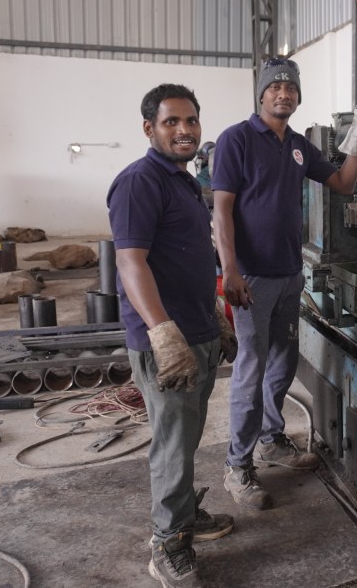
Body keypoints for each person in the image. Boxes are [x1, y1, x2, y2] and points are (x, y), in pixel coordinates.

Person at [212, 58, 357, 509]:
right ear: (261, 94)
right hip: (251, 278)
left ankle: (271, 439)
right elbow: (222, 210)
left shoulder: (299, 146)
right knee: (251, 369)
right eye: (275, 87)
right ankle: (237, 466)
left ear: (298, 97)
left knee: (283, 362)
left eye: (290, 88)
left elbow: (343, 183)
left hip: (288, 274)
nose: (283, 94)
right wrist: (230, 269)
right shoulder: (236, 140)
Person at [108, 83, 238, 588]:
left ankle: (183, 516)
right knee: (171, 446)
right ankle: (167, 543)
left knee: (186, 439)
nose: (184, 130)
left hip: (196, 332)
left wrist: (213, 315)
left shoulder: (183, 181)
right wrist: (163, 333)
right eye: (171, 122)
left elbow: (187, 258)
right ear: (149, 128)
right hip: (168, 344)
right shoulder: (138, 182)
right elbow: (130, 263)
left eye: (191, 121)